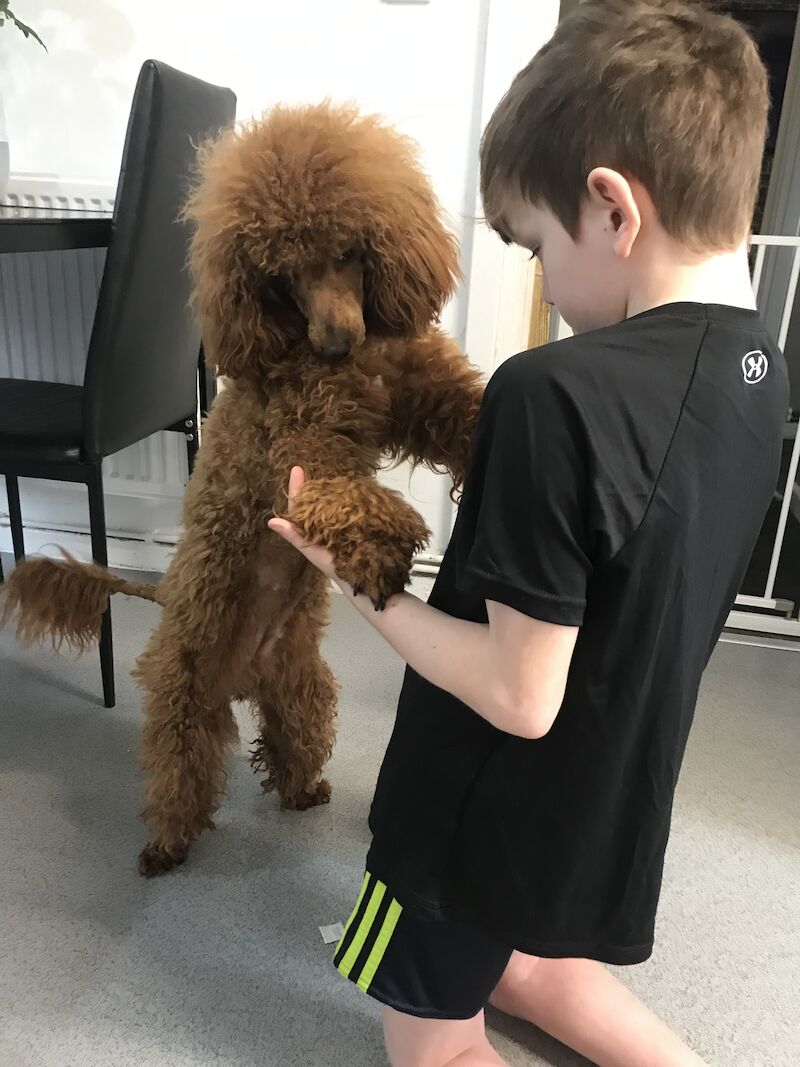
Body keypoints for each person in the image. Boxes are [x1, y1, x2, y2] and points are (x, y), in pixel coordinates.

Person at [268, 1, 789, 1063]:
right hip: (600, 812)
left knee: (434, 1038)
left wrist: (367, 580)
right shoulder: (762, 374)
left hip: (465, 822)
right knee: (535, 966)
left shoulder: (550, 392)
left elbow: (516, 692)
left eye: (534, 244)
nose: (543, 280)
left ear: (610, 208)